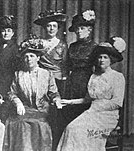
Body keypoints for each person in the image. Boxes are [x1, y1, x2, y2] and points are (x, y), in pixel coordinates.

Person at [56, 37, 126, 151]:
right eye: (99, 57)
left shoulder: (117, 77)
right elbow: (87, 99)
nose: (101, 60)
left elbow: (117, 103)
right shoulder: (93, 76)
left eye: (105, 57)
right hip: (91, 114)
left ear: (111, 60)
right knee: (71, 128)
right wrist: (69, 102)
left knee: (83, 132)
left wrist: (96, 106)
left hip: (108, 116)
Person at [3, 35, 63, 151]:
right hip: (25, 109)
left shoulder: (47, 74)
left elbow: (54, 93)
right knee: (20, 124)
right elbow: (11, 93)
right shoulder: (19, 74)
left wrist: (56, 100)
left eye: (32, 56)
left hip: (41, 110)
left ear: (38, 58)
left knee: (38, 124)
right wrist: (18, 103)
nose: (29, 59)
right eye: (26, 57)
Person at [53, 10, 98, 150]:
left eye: (82, 28)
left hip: (87, 82)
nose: (79, 31)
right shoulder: (72, 46)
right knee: (67, 115)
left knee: (83, 116)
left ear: (89, 30)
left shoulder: (95, 47)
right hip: (71, 82)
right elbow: (65, 67)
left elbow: (98, 71)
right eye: (77, 28)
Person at [0, 15, 20, 123]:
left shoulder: (17, 49)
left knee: (7, 114)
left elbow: (18, 71)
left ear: (13, 33)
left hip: (10, 85)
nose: (5, 33)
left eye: (8, 30)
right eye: (3, 31)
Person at [33, 10, 68, 96]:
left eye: (54, 26)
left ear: (57, 28)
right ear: (45, 28)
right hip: (42, 78)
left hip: (58, 79)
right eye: (49, 26)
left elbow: (65, 64)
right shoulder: (38, 43)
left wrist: (64, 80)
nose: (51, 28)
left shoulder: (62, 44)